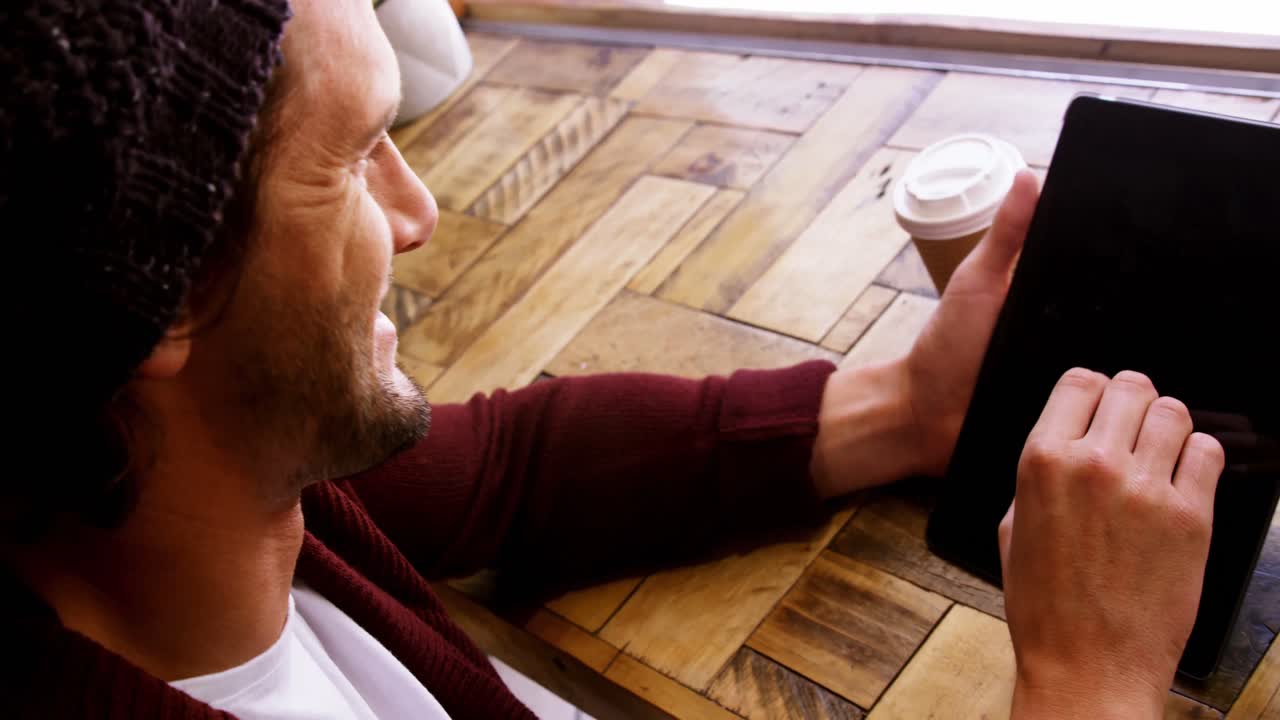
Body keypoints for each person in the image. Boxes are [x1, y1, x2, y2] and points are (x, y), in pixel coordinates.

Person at [0, 0, 1225, 718]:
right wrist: (1086, 687)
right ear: (161, 294)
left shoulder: (157, 499)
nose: (416, 208)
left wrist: (905, 407)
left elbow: (500, 468)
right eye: (359, 149)